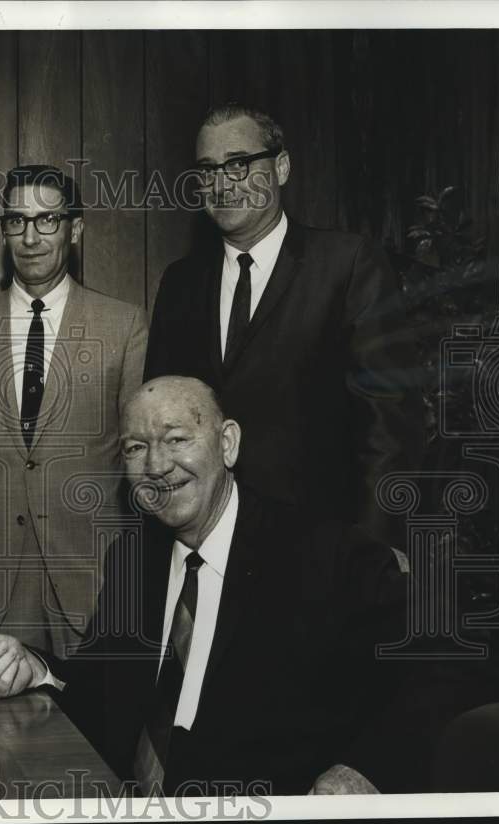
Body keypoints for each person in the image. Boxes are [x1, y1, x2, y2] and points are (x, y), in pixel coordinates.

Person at [0, 376, 421, 795]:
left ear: (228, 444)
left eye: (176, 439)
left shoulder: (323, 553)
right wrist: (33, 667)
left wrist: (363, 770)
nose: (157, 465)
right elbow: (100, 695)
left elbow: (441, 671)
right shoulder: (134, 561)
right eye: (135, 448)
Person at [145, 104, 424, 549]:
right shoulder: (180, 283)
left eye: (238, 164)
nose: (222, 184)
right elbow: (157, 423)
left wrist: (376, 549)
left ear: (281, 166)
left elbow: (388, 425)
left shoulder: (348, 264)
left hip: (323, 546)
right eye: (207, 170)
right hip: (207, 546)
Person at [0, 165, 148, 659]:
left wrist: (135, 588)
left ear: (75, 229)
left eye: (48, 220)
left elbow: (139, 472)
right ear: (4, 230)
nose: (31, 236)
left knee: (90, 734)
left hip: (94, 590)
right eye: (18, 221)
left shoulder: (124, 327)